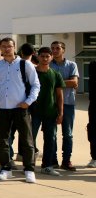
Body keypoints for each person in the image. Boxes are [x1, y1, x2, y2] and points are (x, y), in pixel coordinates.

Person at [0, 37, 40, 183]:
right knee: (2, 140)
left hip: (20, 108)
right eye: (3, 46)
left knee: (27, 139)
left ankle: (29, 170)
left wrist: (28, 102)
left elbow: (36, 85)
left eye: (9, 46)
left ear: (14, 47)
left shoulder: (25, 64)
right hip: (1, 107)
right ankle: (6, 168)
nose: (6, 49)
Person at [32, 47, 65, 176]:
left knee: (50, 139)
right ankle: (28, 165)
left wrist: (61, 113)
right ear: (38, 57)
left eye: (47, 56)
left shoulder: (55, 74)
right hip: (34, 112)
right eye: (42, 56)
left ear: (51, 57)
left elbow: (59, 95)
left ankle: (47, 166)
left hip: (50, 112)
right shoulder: (32, 73)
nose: (45, 59)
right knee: (30, 139)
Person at [50, 40, 79, 171]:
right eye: (53, 48)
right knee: (52, 134)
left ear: (63, 50)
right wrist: (65, 82)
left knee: (68, 134)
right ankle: (53, 160)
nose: (54, 50)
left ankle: (66, 160)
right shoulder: (48, 65)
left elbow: (74, 83)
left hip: (68, 103)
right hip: (51, 104)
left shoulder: (72, 65)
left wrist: (55, 82)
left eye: (57, 48)